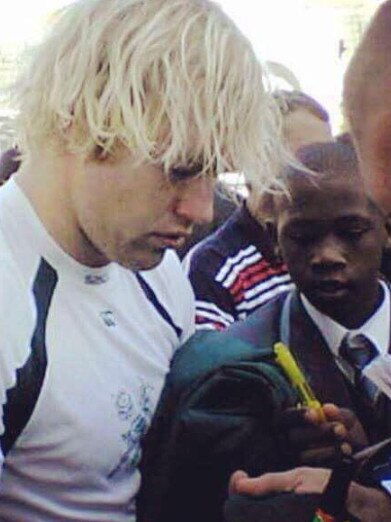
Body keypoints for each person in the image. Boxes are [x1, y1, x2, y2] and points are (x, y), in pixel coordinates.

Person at [0, 0, 286, 520]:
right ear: (80, 119)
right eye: (180, 168)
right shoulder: (8, 288)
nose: (202, 210)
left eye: (215, 175)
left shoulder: (159, 275)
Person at [139, 140, 389, 522]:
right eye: (303, 237)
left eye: (352, 231)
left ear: (386, 228)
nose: (327, 255)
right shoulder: (236, 366)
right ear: (273, 239)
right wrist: (269, 450)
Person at [184, 89, 332, 331]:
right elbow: (209, 363)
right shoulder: (213, 267)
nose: (329, 172)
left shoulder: (342, 247)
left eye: (331, 156)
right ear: (258, 157)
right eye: (309, 159)